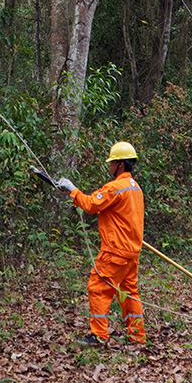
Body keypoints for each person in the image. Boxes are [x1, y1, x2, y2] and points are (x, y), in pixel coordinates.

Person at [54, 142, 145, 346]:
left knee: (97, 288)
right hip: (131, 252)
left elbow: (91, 205)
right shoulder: (135, 188)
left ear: (120, 164)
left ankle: (99, 336)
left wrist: (72, 190)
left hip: (115, 252)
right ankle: (136, 336)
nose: (110, 167)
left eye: (112, 163)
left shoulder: (114, 188)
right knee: (129, 292)